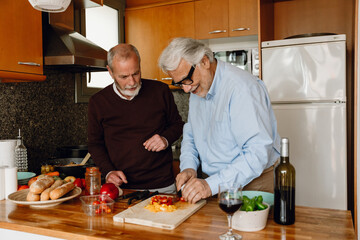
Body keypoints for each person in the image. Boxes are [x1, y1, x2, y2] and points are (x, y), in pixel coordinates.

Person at [158, 37, 280, 203]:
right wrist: (188, 167)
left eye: (187, 80)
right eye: (180, 84)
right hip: (214, 184)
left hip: (252, 182)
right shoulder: (197, 89)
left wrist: (211, 185)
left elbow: (257, 152)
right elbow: (191, 135)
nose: (186, 89)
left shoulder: (242, 88)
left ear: (204, 61)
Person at [88, 43, 184, 194]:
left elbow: (177, 125)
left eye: (136, 73)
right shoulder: (98, 102)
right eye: (124, 77)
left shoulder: (160, 91)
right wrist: (108, 172)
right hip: (122, 189)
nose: (132, 82)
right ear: (110, 72)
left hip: (162, 186)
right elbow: (95, 144)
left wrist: (165, 139)